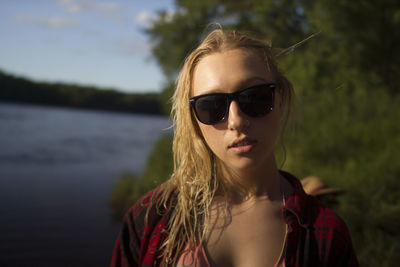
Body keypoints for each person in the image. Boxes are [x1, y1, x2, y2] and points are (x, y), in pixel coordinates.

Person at [110, 29, 358, 267]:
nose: (236, 120)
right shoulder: (149, 218)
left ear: (280, 100)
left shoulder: (325, 233)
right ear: (194, 120)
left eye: (255, 97)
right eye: (211, 106)